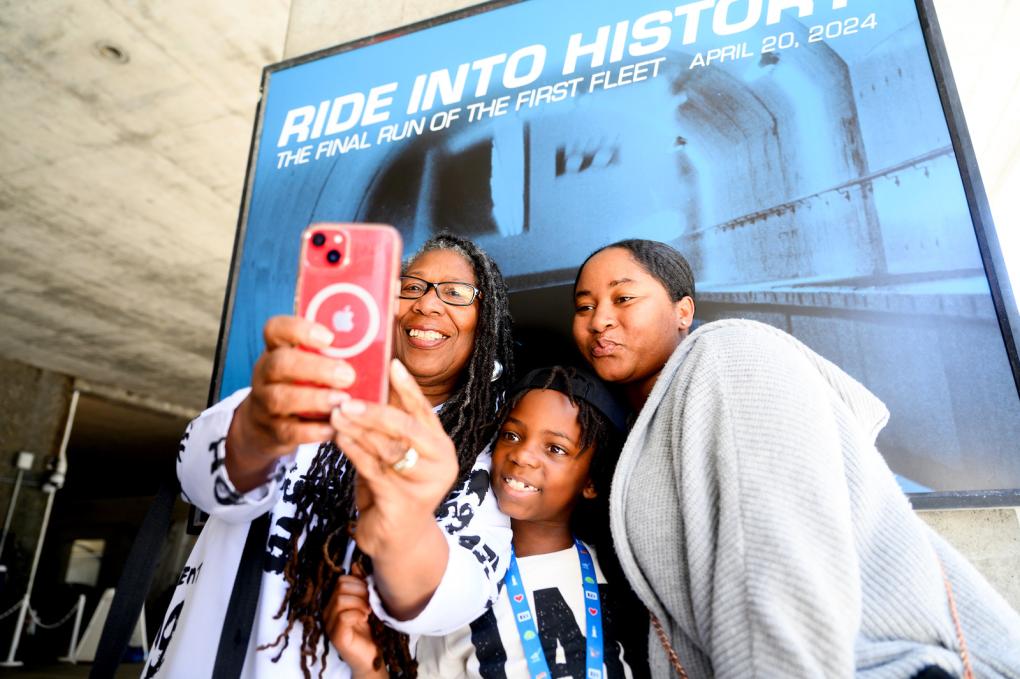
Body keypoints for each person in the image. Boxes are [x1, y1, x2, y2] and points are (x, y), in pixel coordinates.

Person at [570, 239, 1020, 678]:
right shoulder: (647, 429)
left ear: (683, 311)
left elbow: (770, 570)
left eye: (623, 297)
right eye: (585, 306)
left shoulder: (727, 357)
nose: (600, 320)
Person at [144, 234, 516, 679]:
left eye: (455, 293)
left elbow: (456, 598)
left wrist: (406, 528)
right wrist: (258, 436)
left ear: (486, 320)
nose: (427, 305)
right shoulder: (292, 395)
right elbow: (198, 478)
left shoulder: (486, 457)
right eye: (410, 286)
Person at [325, 366, 648, 678]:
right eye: (511, 434)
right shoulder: (450, 573)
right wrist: (369, 666)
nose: (522, 455)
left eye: (555, 448)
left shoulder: (615, 577)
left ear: (591, 481)